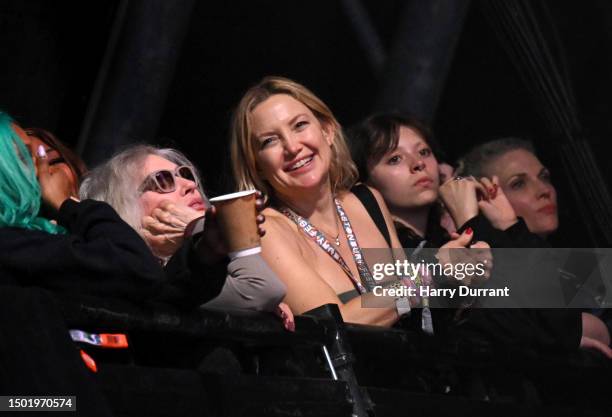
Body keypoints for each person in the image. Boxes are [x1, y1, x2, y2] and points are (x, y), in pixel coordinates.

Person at [229, 76, 477, 327]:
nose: (292, 147)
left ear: (327, 130)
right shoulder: (267, 231)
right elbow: (335, 328)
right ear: (256, 166)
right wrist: (430, 273)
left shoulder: (367, 200)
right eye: (270, 141)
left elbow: (412, 313)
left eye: (300, 125)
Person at [80, 145, 293, 328]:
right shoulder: (141, 281)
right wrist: (204, 227)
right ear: (123, 206)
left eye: (186, 174)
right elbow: (264, 287)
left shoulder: (216, 274)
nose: (190, 185)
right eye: (162, 181)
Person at [454, 137, 612, 357]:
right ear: (484, 199)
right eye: (519, 183)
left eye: (544, 177)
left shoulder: (584, 264)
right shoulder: (486, 273)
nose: (543, 190)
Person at [0, 111, 167, 302]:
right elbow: (137, 269)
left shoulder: (42, 242)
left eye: (51, 161)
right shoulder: (15, 247)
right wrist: (67, 204)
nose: (42, 171)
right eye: (25, 157)